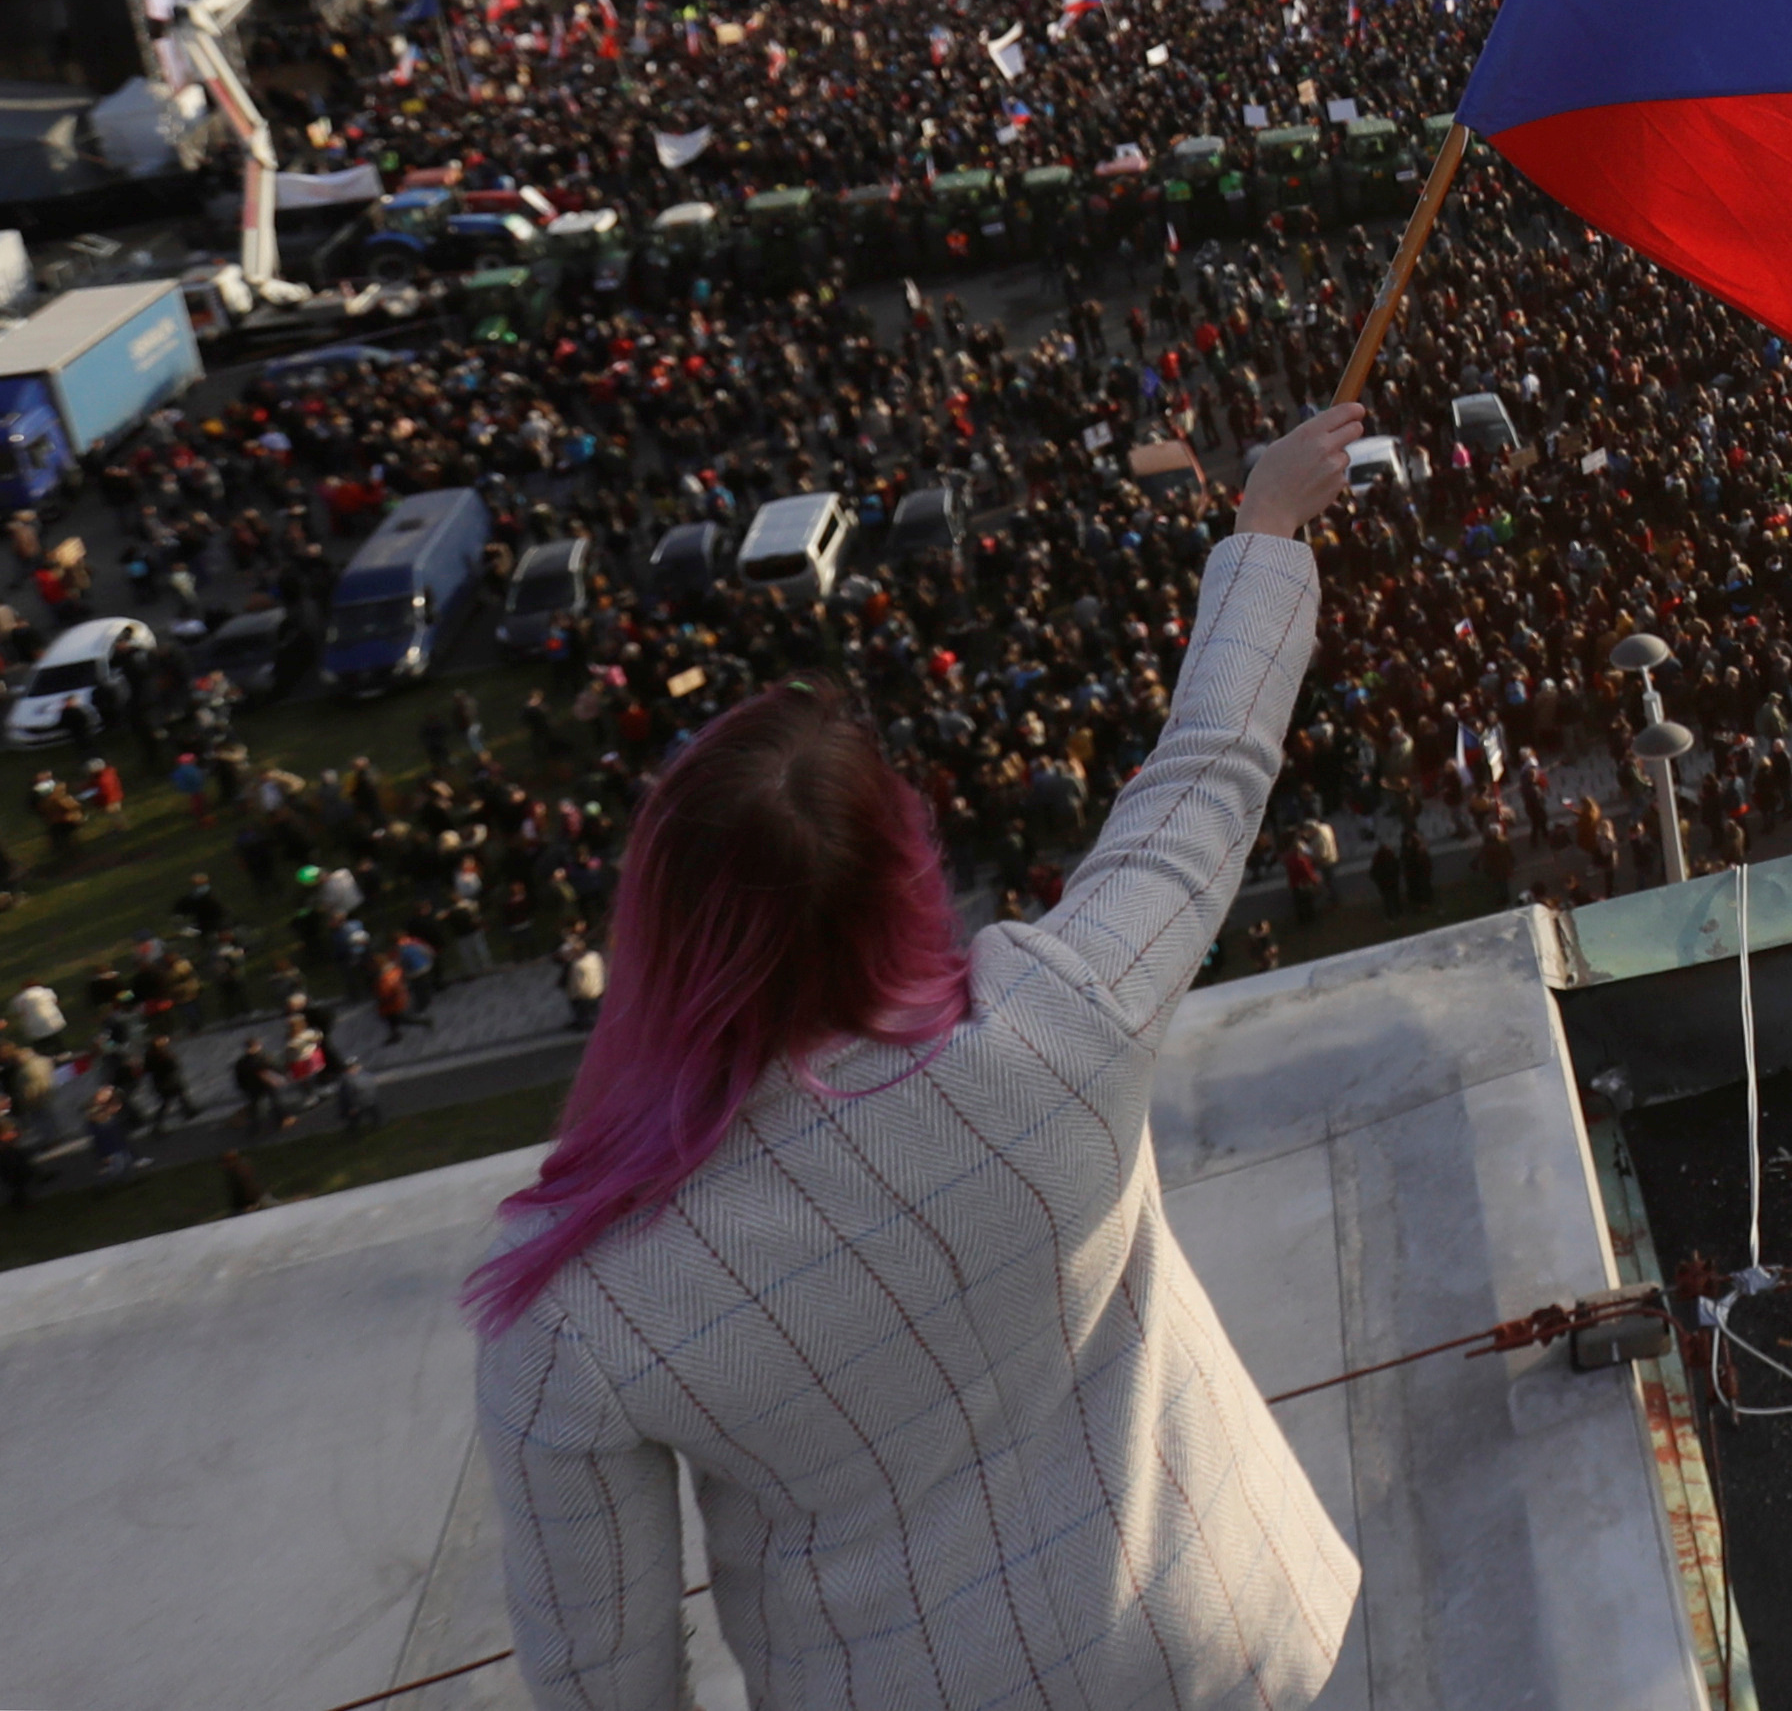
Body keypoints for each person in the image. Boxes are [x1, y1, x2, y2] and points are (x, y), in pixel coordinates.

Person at [474, 402, 1371, 1711]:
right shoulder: (1055, 1020)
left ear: (656, 932)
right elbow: (1206, 777)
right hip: (1216, 1644)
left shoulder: (577, 1306)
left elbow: (606, 1682)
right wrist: (1265, 526)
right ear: (899, 870)